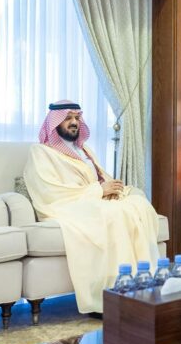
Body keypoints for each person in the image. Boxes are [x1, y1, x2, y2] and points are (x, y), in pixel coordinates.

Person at [23, 100, 160, 313]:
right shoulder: (41, 152)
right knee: (113, 213)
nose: (74, 122)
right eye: (68, 118)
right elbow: (50, 191)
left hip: (91, 200)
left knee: (137, 203)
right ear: (54, 122)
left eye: (77, 118)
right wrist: (98, 191)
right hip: (64, 205)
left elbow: (100, 178)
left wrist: (112, 190)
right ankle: (112, 295)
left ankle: (141, 288)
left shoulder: (84, 150)